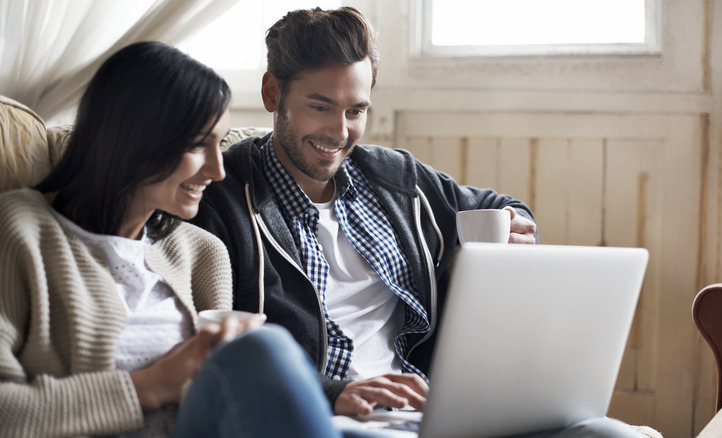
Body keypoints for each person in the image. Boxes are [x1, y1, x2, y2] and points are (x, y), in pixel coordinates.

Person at [190, 7, 644, 437]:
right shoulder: (222, 200)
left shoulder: (394, 178)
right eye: (321, 106)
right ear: (273, 93)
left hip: (435, 413)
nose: (340, 132)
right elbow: (221, 353)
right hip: (330, 419)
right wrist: (332, 394)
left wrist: (515, 221)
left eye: (356, 110)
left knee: (608, 432)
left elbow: (494, 203)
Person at [0, 41, 343, 438]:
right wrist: (153, 384)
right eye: (199, 144)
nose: (217, 171)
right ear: (132, 137)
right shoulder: (18, 232)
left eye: (220, 143)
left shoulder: (201, 252)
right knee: (267, 346)